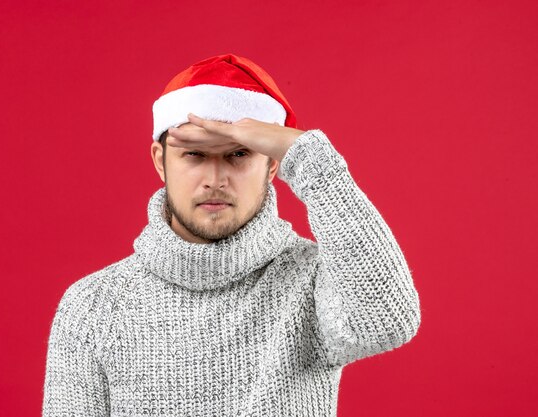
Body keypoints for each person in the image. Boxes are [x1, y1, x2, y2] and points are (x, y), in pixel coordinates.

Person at [42, 53, 421, 416]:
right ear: (161, 160)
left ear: (272, 165)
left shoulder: (312, 278)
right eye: (194, 154)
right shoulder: (93, 306)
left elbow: (387, 321)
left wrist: (307, 157)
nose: (215, 180)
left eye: (239, 155)